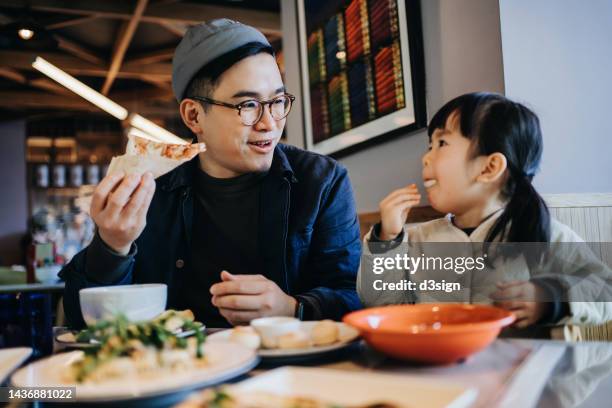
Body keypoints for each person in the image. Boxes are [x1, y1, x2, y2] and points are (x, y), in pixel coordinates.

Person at [60, 19, 362, 328]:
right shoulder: (148, 194)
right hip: (177, 370)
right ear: (194, 116)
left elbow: (353, 296)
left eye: (277, 101)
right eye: (248, 105)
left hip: (294, 371)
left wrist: (292, 308)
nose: (269, 123)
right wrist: (112, 246)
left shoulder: (321, 182)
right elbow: (82, 322)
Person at [358, 92, 612, 328]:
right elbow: (381, 305)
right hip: (436, 370)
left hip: (519, 371)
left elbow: (605, 290)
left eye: (442, 143)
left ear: (490, 168)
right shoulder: (417, 239)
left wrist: (549, 297)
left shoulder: (541, 235)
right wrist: (386, 240)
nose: (426, 157)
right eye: (429, 146)